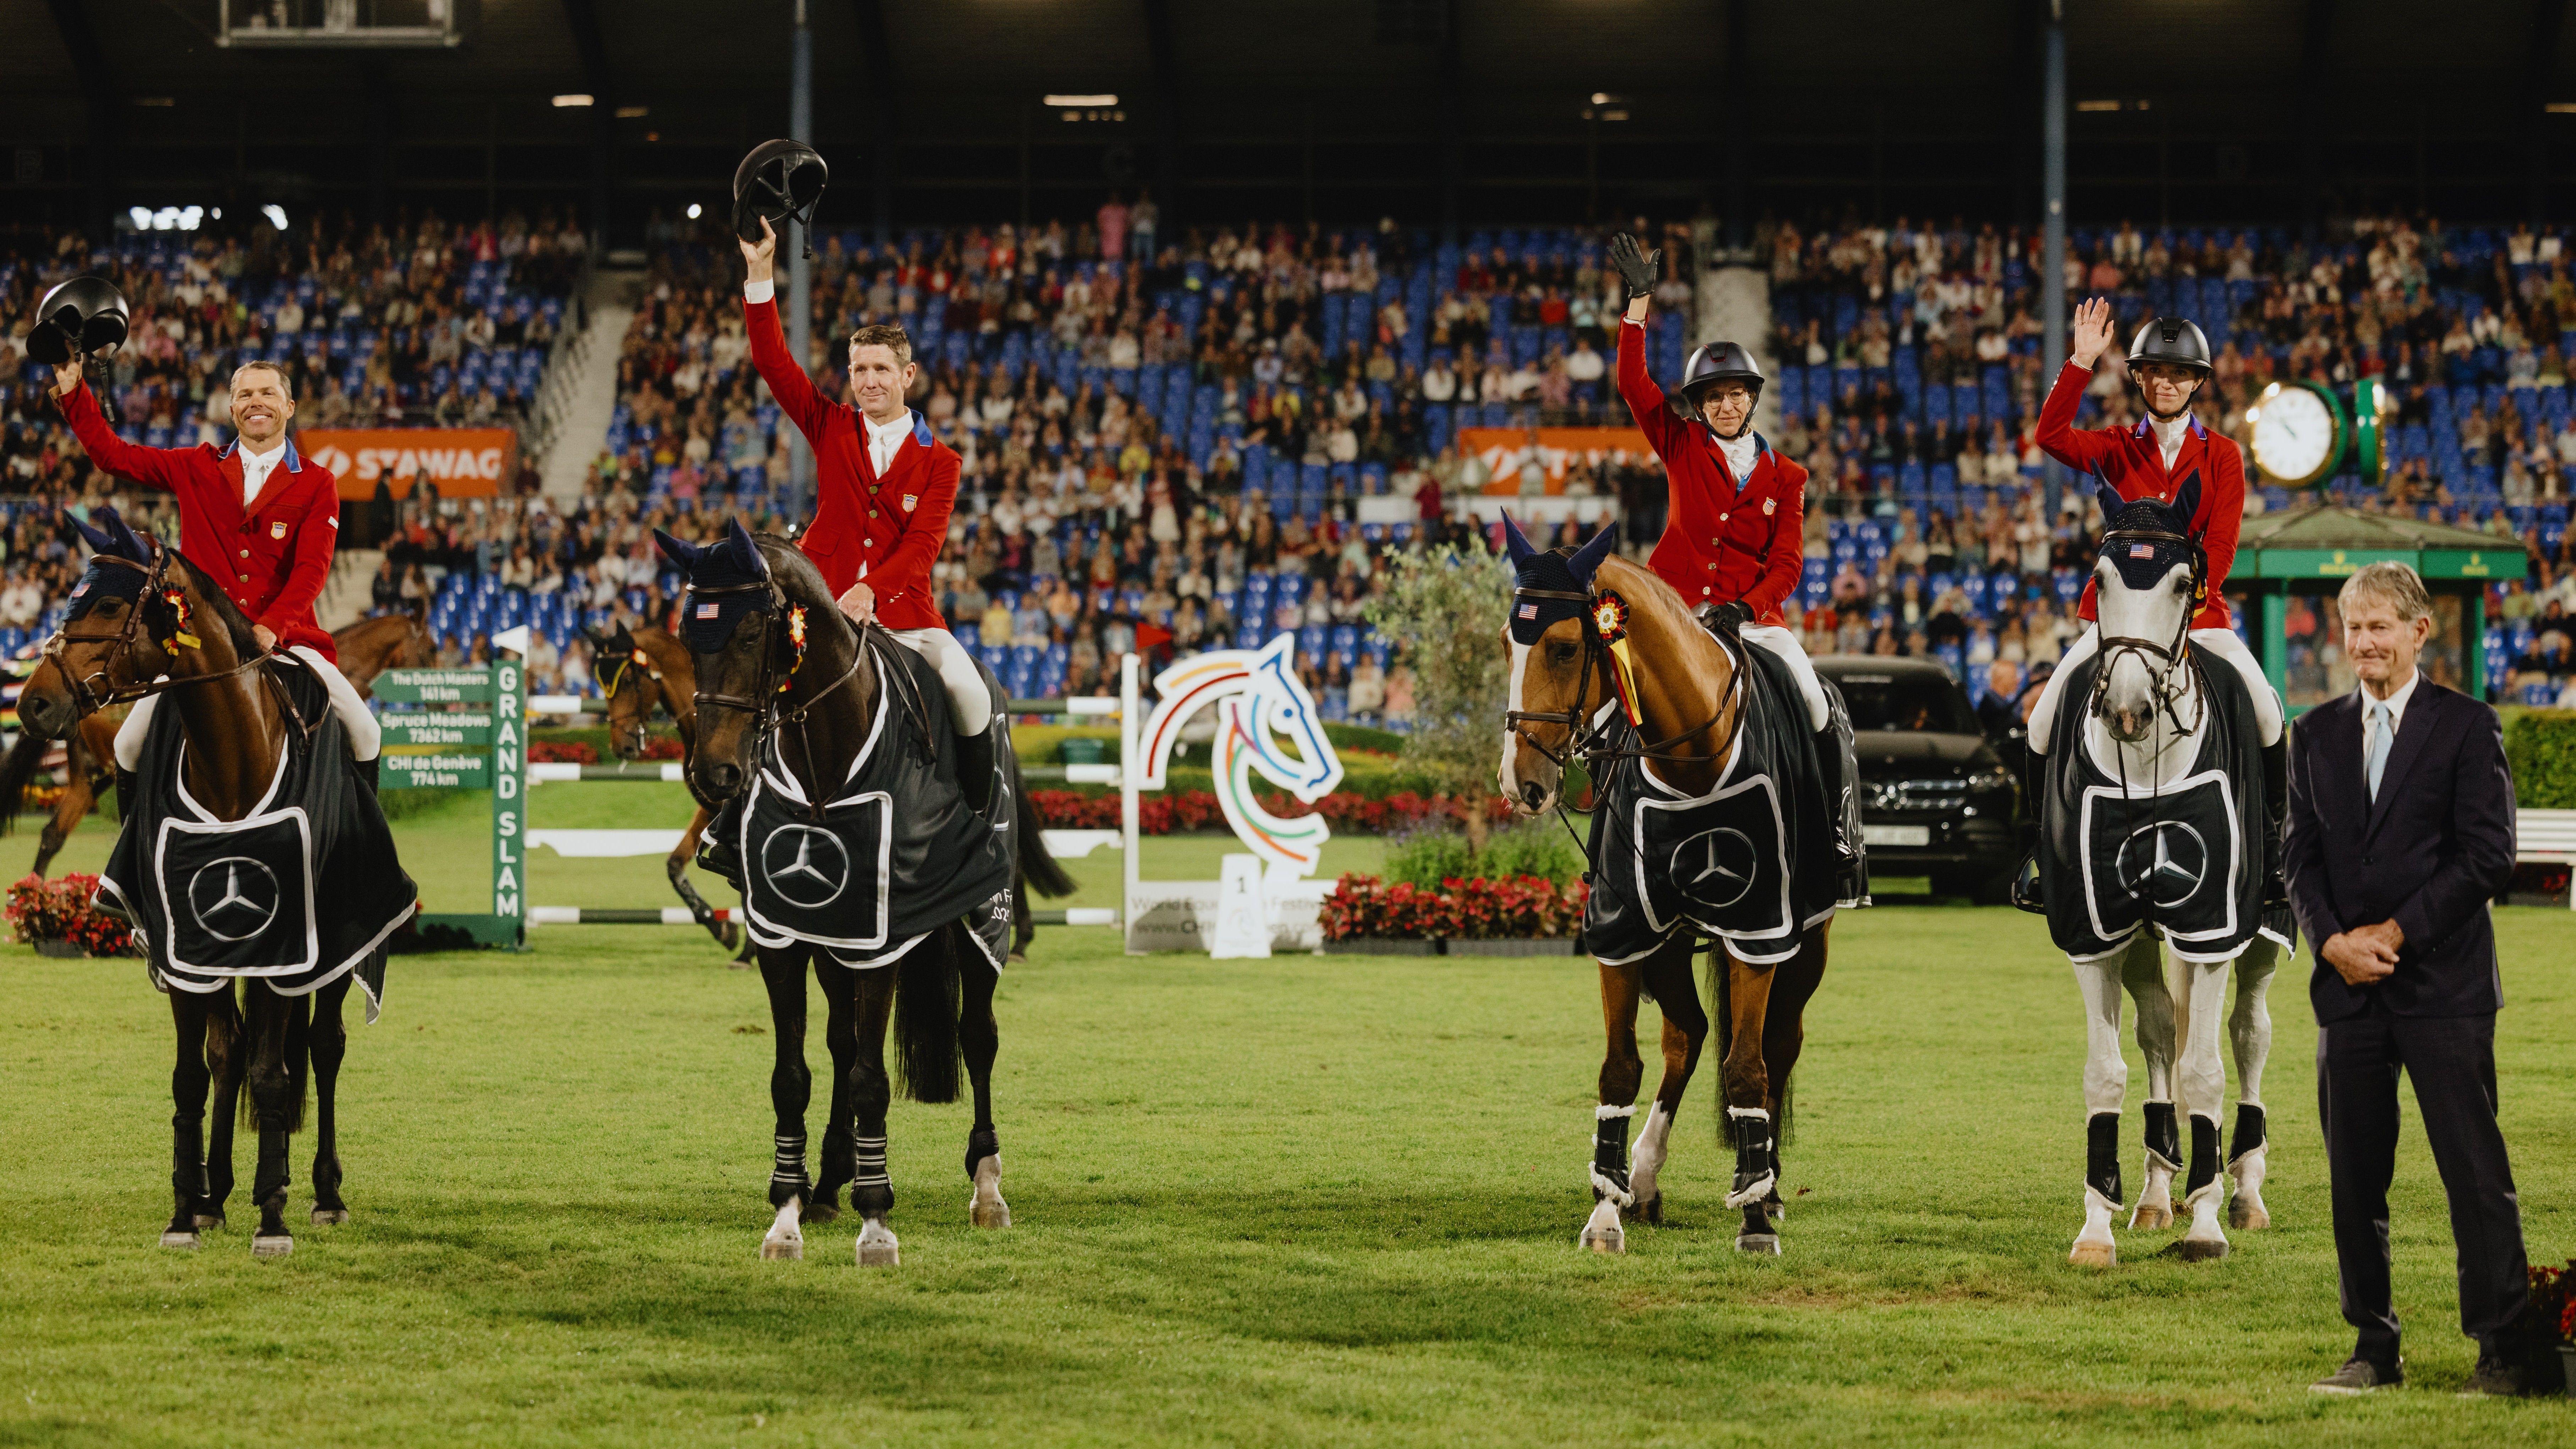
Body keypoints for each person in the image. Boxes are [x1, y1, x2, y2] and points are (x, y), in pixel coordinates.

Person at [2287, 563, 2539, 1397]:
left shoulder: (2468, 727)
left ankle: (2502, 1348)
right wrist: (2331, 943)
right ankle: (2373, 1345)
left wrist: (2392, 933)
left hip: (2445, 990)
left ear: (2418, 632)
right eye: (2353, 627)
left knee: (2475, 1175)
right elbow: (2299, 861)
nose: (2364, 641)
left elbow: (2487, 857)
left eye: (2381, 626)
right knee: (2355, 1180)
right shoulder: (2315, 733)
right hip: (2348, 996)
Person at [1608, 231, 1861, 898]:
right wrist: (1637, 306)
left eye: (1735, 393)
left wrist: (1745, 608)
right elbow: (1632, 384)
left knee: (1813, 703)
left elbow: (1787, 562)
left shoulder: (1788, 476)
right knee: (1615, 697)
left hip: (1751, 621)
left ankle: (1834, 832)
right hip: (1676, 612)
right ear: (1700, 404)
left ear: (1751, 398)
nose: (1725, 404)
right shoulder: (1681, 443)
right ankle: (1610, 835)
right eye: (1713, 395)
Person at [2027, 297, 2286, 900]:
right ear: (2138, 379)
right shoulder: (2114, 446)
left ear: (2195, 382)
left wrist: (2183, 608)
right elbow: (2048, 435)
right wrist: (2078, 363)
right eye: (2154, 372)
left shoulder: (2221, 455)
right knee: (2041, 721)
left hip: (2196, 618)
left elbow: (2218, 545)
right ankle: (2038, 854)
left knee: (2268, 713)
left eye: (2177, 374)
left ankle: (2273, 849)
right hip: (2115, 621)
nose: (2165, 383)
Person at [737, 218, 996, 783]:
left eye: (882, 369)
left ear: (907, 375)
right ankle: (733, 817)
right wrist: (760, 273)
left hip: (905, 616)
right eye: (859, 370)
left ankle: (979, 816)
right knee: (745, 686)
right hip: (818, 605)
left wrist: (869, 591)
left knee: (969, 692)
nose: (870, 380)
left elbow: (923, 546)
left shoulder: (941, 461)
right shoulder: (829, 425)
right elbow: (773, 363)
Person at [50, 359, 380, 775]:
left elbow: (311, 571)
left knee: (367, 734)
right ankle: (135, 841)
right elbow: (114, 456)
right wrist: (74, 390)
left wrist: (271, 625)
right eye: (245, 394)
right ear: (231, 407)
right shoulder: (196, 464)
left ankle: (361, 840)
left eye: (267, 393)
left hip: (285, 639)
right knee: (130, 748)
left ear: (290, 406)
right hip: (197, 643)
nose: (255, 402)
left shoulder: (318, 482)